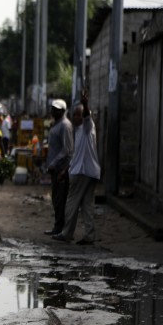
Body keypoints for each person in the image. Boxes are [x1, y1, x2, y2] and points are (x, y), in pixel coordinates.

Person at [53, 93, 100, 244]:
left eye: (78, 115)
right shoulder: (79, 131)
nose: (75, 117)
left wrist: (85, 104)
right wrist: (65, 170)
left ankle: (66, 233)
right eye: (74, 114)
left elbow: (87, 116)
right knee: (87, 205)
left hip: (81, 172)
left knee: (71, 204)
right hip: (89, 172)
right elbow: (75, 155)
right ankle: (89, 235)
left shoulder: (87, 127)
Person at [44, 99, 74, 236]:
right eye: (52, 109)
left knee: (60, 199)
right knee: (56, 198)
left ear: (62, 111)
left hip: (62, 169)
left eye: (55, 109)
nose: (52, 111)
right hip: (55, 168)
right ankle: (58, 226)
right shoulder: (57, 124)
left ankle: (61, 228)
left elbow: (67, 150)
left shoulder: (65, 125)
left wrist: (54, 163)